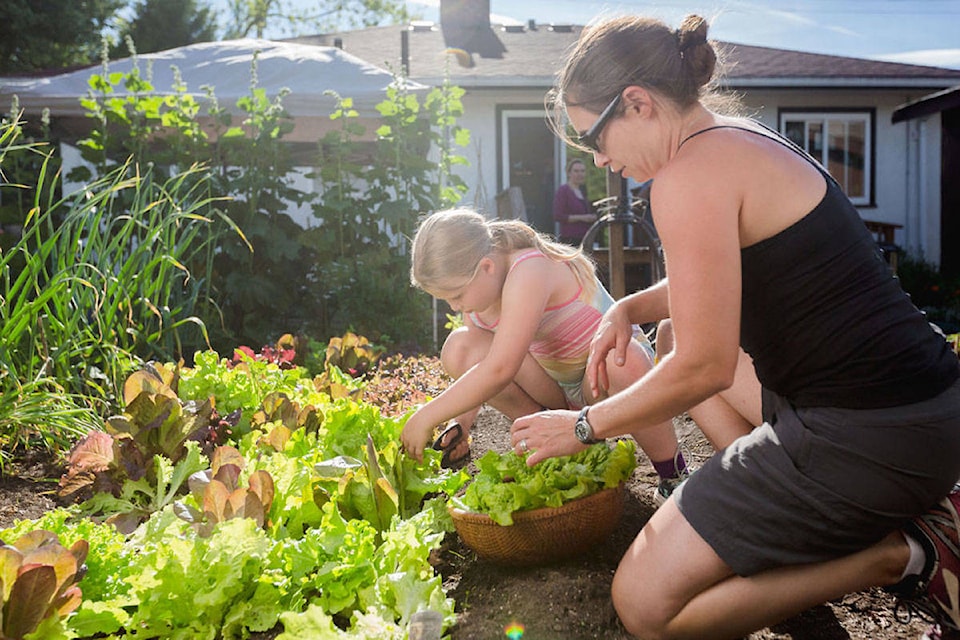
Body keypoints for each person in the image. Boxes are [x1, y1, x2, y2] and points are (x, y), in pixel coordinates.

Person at [510, 13, 960, 640]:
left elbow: (705, 369)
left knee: (645, 607)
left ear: (636, 103)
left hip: (865, 436)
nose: (602, 161)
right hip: (926, 413)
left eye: (595, 139)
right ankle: (783, 522)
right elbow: (719, 276)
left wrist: (582, 426)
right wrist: (628, 308)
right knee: (668, 337)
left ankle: (901, 554)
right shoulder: (738, 138)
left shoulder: (686, 179)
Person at [399, 208, 690, 502]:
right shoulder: (482, 294)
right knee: (460, 348)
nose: (454, 306)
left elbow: (501, 368)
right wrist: (460, 423)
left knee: (621, 356)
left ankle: (672, 474)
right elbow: (483, 364)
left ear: (486, 267)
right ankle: (553, 447)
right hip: (554, 390)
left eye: (456, 296)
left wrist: (427, 416)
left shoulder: (529, 269)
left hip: (603, 380)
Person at [553, 157, 597, 245]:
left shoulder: (583, 191)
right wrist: (583, 217)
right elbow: (558, 216)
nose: (580, 174)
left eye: (582, 171)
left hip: (584, 238)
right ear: (569, 173)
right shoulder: (564, 191)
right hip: (570, 240)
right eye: (576, 171)